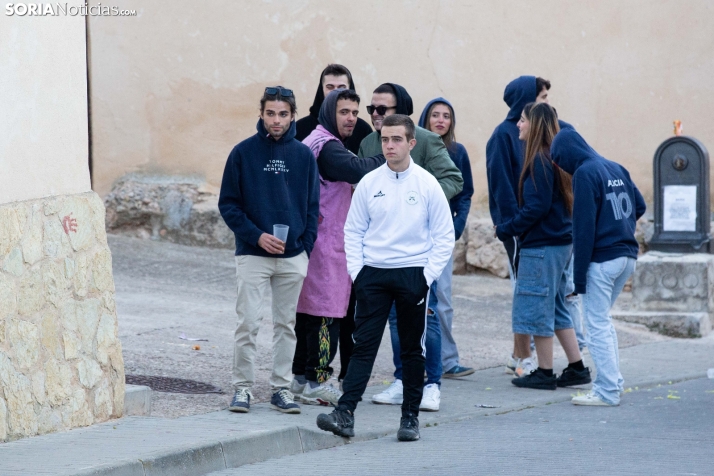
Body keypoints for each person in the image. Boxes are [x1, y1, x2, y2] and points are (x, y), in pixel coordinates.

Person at [316, 114, 454, 442]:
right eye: (385, 140)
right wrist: (358, 273)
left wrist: (426, 276)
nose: (389, 145)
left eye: (396, 140)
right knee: (363, 347)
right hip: (373, 276)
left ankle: (410, 419)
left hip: (413, 275)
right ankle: (345, 414)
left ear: (411, 143)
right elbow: (353, 230)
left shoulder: (426, 183)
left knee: (410, 350)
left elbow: (444, 235)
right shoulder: (370, 183)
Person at [359, 83, 463, 410]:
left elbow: (453, 179)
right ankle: (403, 380)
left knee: (427, 314)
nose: (376, 115)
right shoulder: (367, 144)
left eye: (383, 110)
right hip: (385, 249)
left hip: (423, 244)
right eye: (371, 109)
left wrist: (420, 202)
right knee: (393, 318)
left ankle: (431, 384)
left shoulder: (426, 140)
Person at [218, 86, 319, 414]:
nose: (277, 120)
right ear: (261, 114)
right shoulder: (242, 153)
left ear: (292, 115)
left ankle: (281, 389)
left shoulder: (303, 155)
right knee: (247, 322)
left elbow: (313, 208)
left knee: (286, 325)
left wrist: (304, 250)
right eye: (271, 113)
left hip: (293, 258)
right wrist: (256, 236)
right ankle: (242, 388)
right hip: (253, 254)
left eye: (283, 114)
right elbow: (229, 205)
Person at [291, 89, 385, 406]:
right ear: (331, 112)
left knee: (308, 313)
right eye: (344, 111)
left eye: (355, 113)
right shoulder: (328, 147)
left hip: (316, 241)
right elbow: (358, 169)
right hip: (326, 244)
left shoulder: (316, 140)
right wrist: (392, 152)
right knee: (325, 314)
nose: (351, 118)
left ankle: (300, 379)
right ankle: (318, 380)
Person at [496, 102, 591, 390]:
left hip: (544, 246)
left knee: (538, 307)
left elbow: (536, 208)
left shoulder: (538, 158)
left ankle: (545, 373)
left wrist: (507, 228)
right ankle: (577, 368)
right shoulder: (554, 156)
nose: (518, 125)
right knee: (559, 306)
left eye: (523, 120)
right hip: (561, 243)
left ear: (534, 124)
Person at [551, 128, 646, 406]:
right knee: (602, 321)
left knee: (595, 326)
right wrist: (619, 227)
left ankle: (606, 391)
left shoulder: (584, 173)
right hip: (626, 257)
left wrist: (578, 279)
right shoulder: (615, 167)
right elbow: (638, 206)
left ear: (565, 156)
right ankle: (613, 382)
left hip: (601, 261)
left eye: (558, 160)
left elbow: (582, 230)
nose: (559, 166)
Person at [486, 76, 570, 376]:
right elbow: (502, 186)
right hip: (522, 229)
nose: (545, 103)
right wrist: (512, 227)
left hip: (540, 230)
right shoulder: (504, 135)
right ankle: (523, 358)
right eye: (541, 97)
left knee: (537, 295)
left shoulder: (547, 136)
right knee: (527, 295)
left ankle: (522, 356)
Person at [417, 98, 475, 385]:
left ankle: (447, 361)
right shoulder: (414, 147)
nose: (441, 120)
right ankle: (418, 360)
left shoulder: (457, 151)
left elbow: (465, 195)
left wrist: (455, 228)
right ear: (426, 118)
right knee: (415, 300)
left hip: (442, 236)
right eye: (435, 115)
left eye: (447, 116)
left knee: (442, 300)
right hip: (412, 234)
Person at [295, 64, 373, 155]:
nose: (336, 91)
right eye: (330, 87)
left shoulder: (363, 129)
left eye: (341, 87)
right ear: (321, 89)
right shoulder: (300, 128)